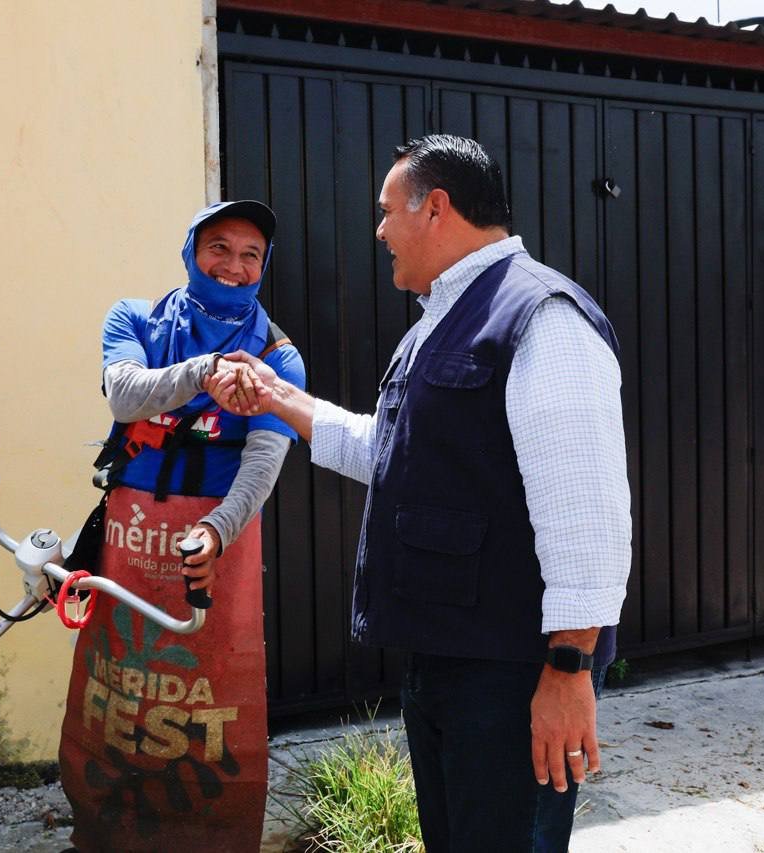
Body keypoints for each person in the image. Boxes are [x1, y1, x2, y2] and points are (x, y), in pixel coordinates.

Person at [206, 135, 630, 852]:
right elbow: (390, 453)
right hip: (444, 661)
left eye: (385, 211)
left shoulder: (541, 318)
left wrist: (568, 670)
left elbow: (586, 512)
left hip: (513, 674)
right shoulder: (438, 320)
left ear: (435, 208)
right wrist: (279, 396)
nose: (378, 231)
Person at [58, 199, 305, 853]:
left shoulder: (280, 359)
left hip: (217, 547)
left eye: (251, 253)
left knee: (208, 702)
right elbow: (125, 393)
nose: (234, 265)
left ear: (265, 266)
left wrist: (217, 530)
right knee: (119, 689)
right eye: (218, 246)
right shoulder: (134, 318)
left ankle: (209, 836)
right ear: (191, 250)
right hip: (125, 538)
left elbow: (263, 462)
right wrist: (204, 372)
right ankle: (104, 829)